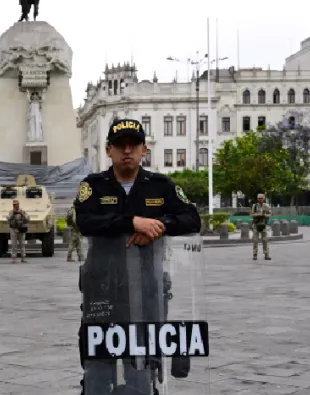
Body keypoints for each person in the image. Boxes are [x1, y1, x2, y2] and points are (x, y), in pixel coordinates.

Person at [74, 118, 202, 394]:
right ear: (109, 150)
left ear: (145, 149)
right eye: (120, 146)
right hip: (102, 290)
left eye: (134, 145)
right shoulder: (94, 186)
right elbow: (85, 222)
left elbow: (192, 219)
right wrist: (133, 222)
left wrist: (159, 227)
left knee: (141, 370)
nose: (127, 151)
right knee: (98, 367)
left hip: (147, 289)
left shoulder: (160, 186)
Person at [250, 193, 272, 261]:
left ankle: (266, 254)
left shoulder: (266, 206)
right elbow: (252, 214)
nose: (260, 199)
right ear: (257, 199)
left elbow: (270, 214)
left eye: (261, 198)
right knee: (255, 240)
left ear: (264, 198)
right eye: (259, 198)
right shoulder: (255, 206)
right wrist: (257, 215)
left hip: (263, 224)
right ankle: (255, 254)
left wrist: (264, 215)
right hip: (256, 225)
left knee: (265, 240)